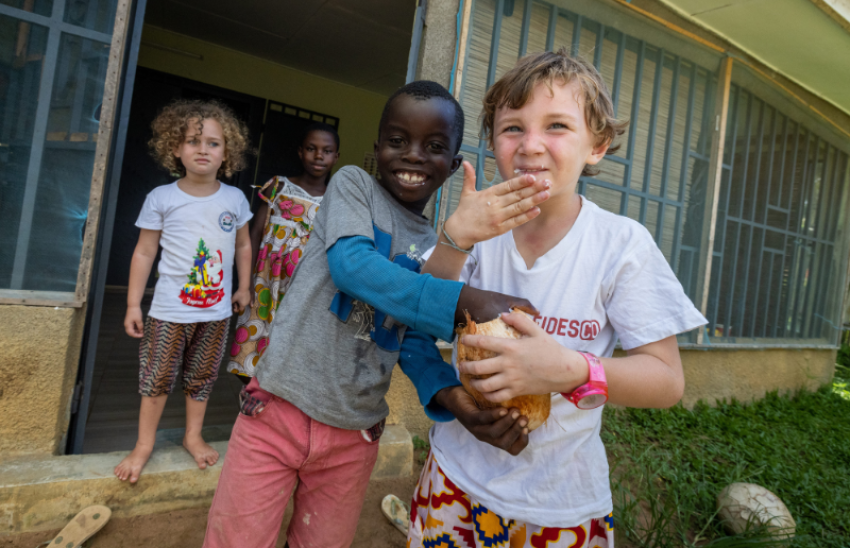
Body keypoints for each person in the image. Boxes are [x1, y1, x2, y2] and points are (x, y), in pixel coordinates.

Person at [202, 80, 550, 548]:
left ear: (451, 166)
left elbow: (413, 337)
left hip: (353, 437)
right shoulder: (352, 187)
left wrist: (457, 403)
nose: (412, 156)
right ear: (377, 147)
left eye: (433, 147)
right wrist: (464, 300)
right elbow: (353, 268)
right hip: (277, 412)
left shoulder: (437, 246)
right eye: (397, 141)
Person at [408, 50, 708, 548]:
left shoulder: (621, 245)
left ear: (599, 145)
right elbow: (422, 316)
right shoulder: (477, 229)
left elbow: (666, 380)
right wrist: (454, 240)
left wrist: (569, 370)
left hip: (560, 505)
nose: (531, 146)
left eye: (557, 126)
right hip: (456, 479)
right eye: (511, 128)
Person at [114, 100, 253, 484]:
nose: (203, 150)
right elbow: (144, 252)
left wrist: (242, 286)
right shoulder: (162, 198)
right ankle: (144, 444)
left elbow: (243, 245)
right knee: (156, 377)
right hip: (167, 312)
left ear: (227, 153)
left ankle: (193, 435)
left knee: (202, 377)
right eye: (193, 141)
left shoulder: (234, 200)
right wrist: (132, 304)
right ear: (175, 148)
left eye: (213, 143)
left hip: (216, 313)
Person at [228, 122, 340, 381]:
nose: (318, 155)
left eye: (326, 150)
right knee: (254, 341)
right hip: (266, 282)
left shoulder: (336, 200)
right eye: (311, 148)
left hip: (305, 289)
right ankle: (250, 399)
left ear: (336, 156)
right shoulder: (277, 187)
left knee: (291, 345)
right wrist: (245, 282)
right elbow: (255, 233)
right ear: (300, 152)